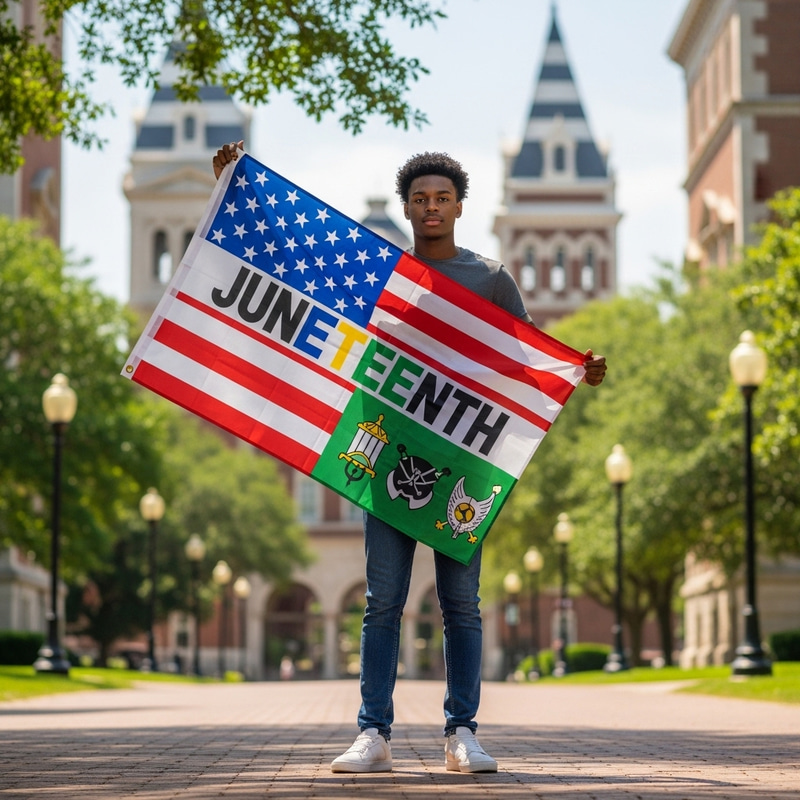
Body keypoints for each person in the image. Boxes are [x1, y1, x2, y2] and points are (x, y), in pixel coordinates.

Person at [212, 144, 607, 774]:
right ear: (407, 206)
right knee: (383, 602)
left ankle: (462, 733)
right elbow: (295, 268)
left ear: (458, 205)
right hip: (390, 461)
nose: (431, 207)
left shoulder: (491, 277)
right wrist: (238, 190)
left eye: (442, 198)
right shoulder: (386, 273)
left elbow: (528, 356)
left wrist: (576, 367)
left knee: (461, 606)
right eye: (420, 199)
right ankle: (374, 733)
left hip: (464, 469)